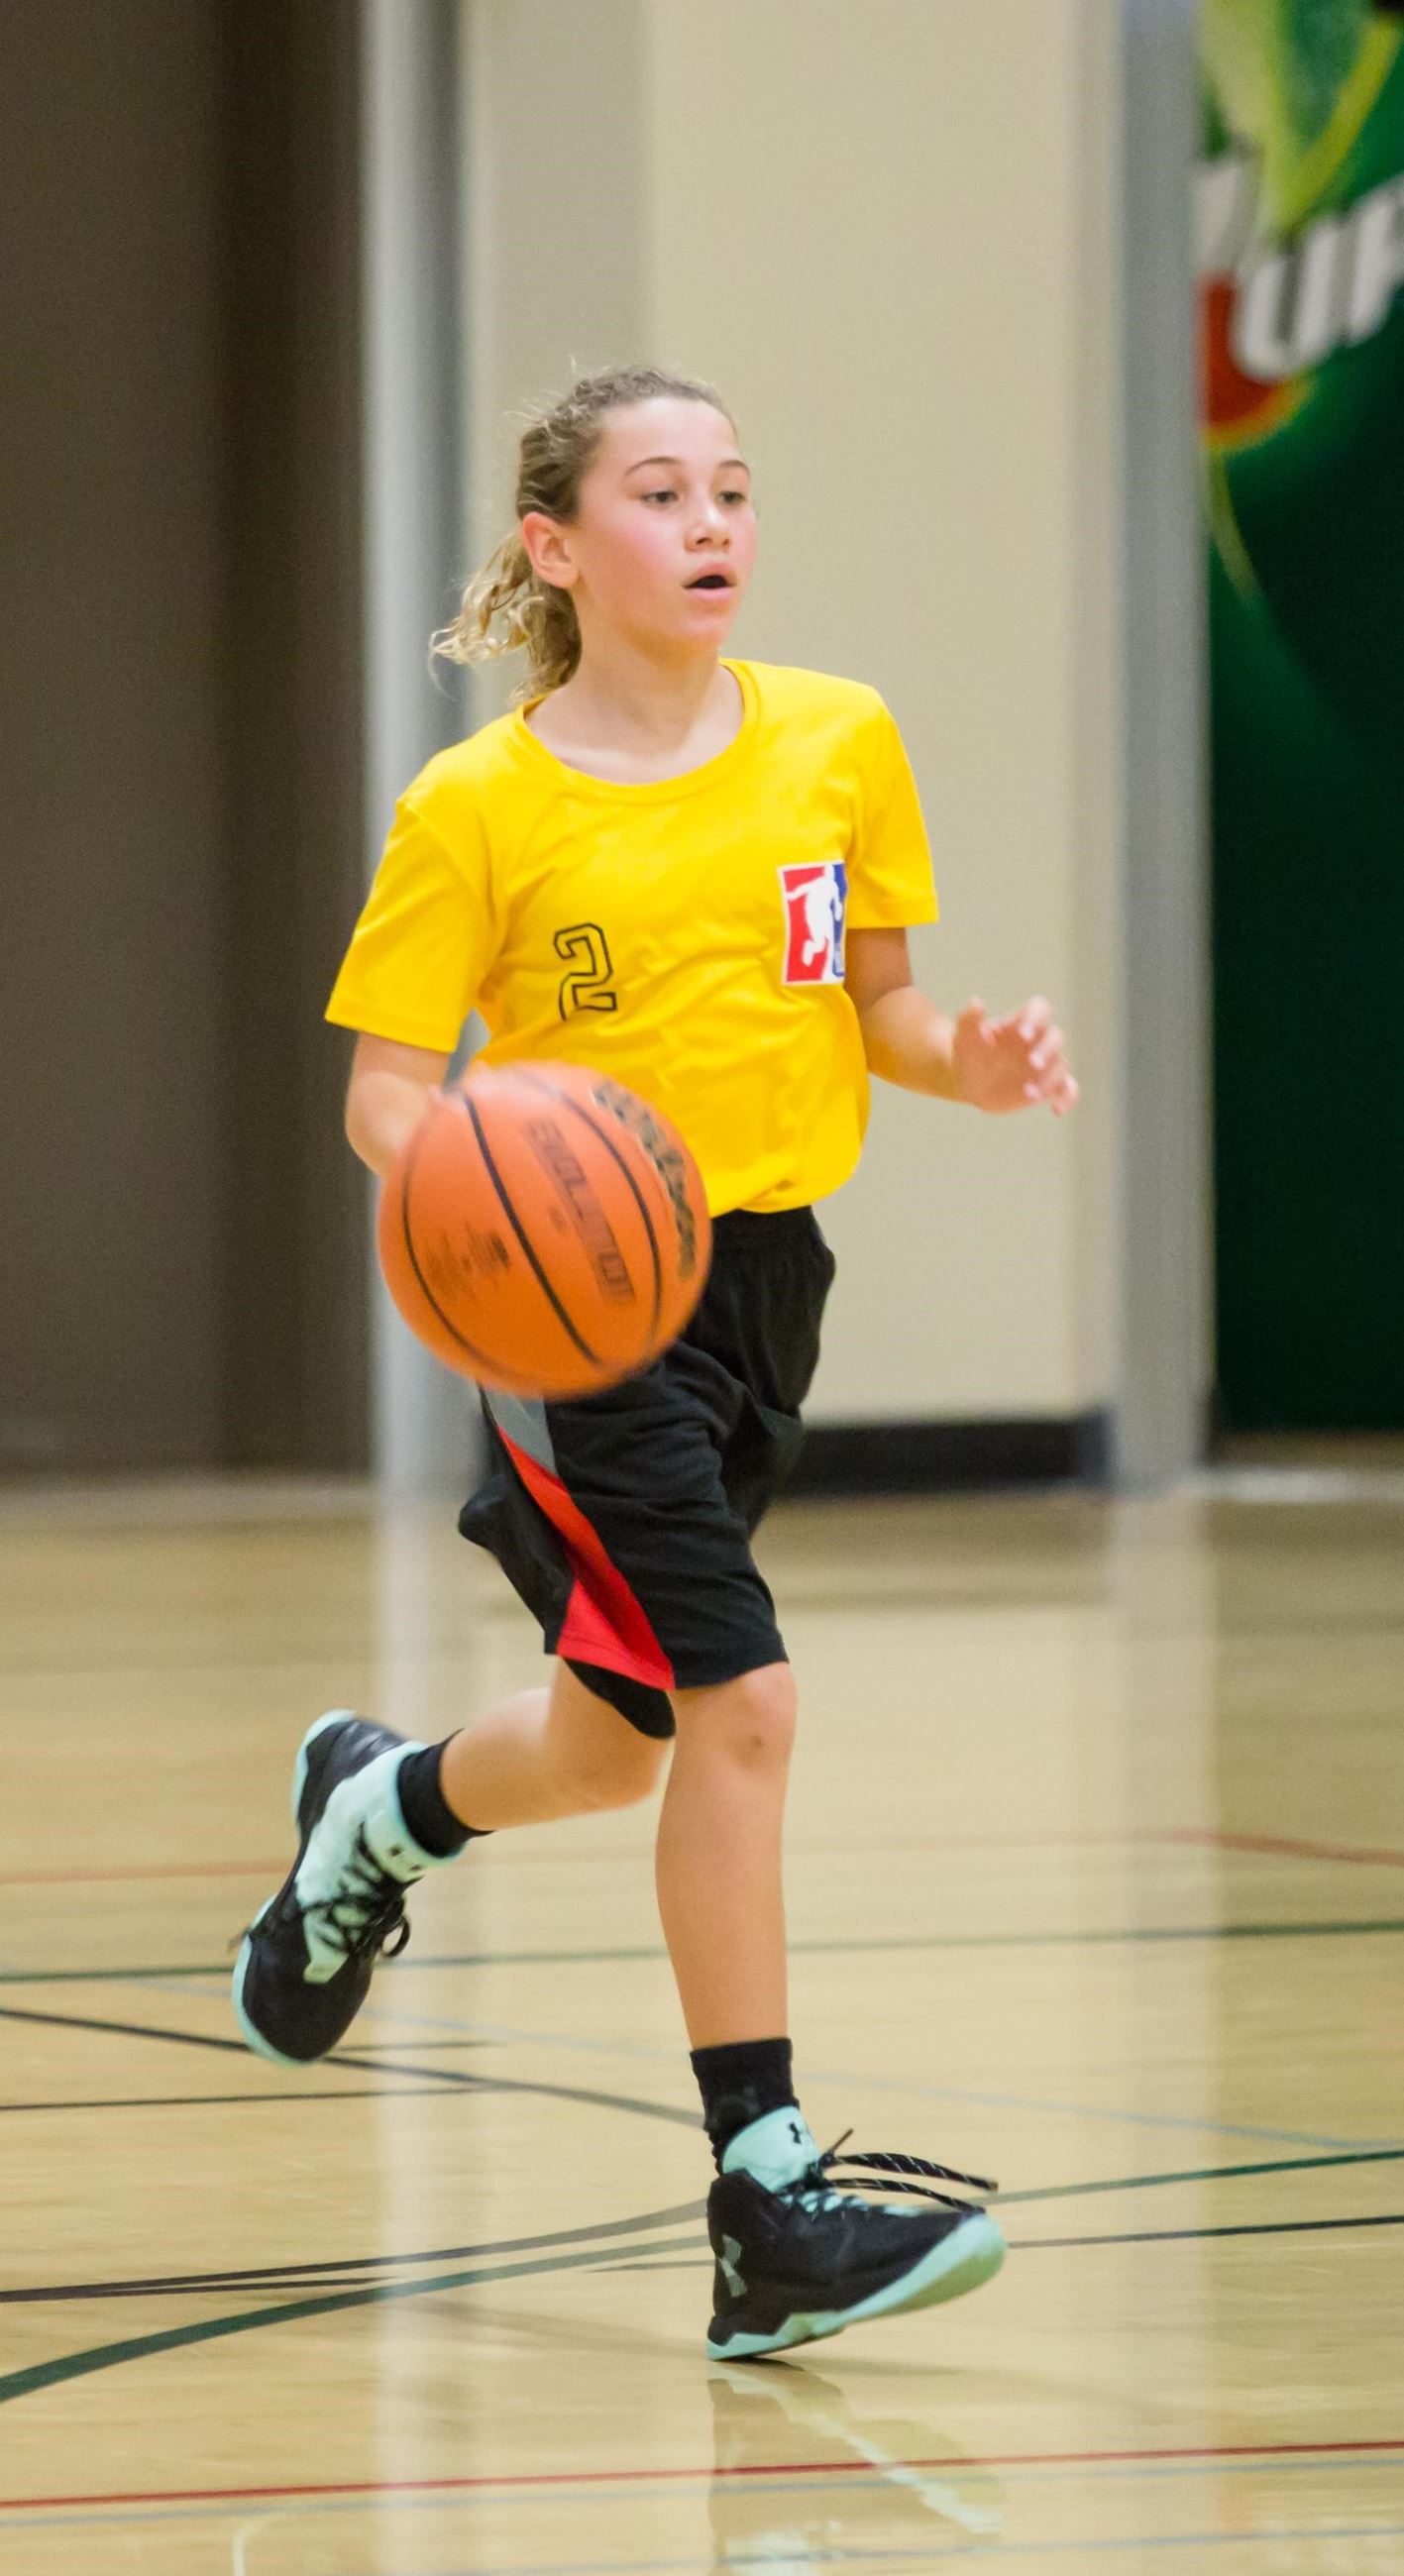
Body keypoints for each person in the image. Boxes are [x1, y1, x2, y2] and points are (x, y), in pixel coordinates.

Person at [232, 365, 1078, 2360]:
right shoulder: (479, 807)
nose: (711, 523)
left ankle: (377, 1806)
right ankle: (763, 2197)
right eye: (660, 491)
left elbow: (877, 1006)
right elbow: (380, 1096)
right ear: (556, 545)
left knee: (615, 1742)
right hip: (574, 1310)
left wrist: (972, 1058)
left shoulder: (836, 741)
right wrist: (485, 1173)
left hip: (767, 1289)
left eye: (733, 491)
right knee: (746, 1703)